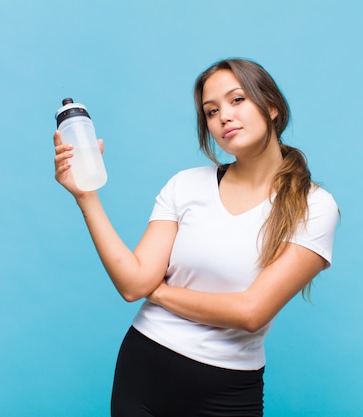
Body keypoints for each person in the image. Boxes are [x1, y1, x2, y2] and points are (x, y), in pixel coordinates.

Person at [53, 58, 339, 417]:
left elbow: (251, 312)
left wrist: (157, 292)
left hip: (227, 391)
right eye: (211, 110)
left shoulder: (314, 206)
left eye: (237, 100)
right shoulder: (185, 184)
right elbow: (132, 284)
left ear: (271, 107)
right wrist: (86, 197)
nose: (223, 116)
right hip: (142, 371)